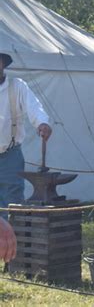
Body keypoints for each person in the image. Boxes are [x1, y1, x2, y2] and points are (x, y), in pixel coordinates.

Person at [0, 52, 52, 218]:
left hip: (10, 154)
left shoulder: (17, 87)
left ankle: (14, 241)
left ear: (2, 64)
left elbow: (34, 107)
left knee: (13, 201)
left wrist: (42, 123)